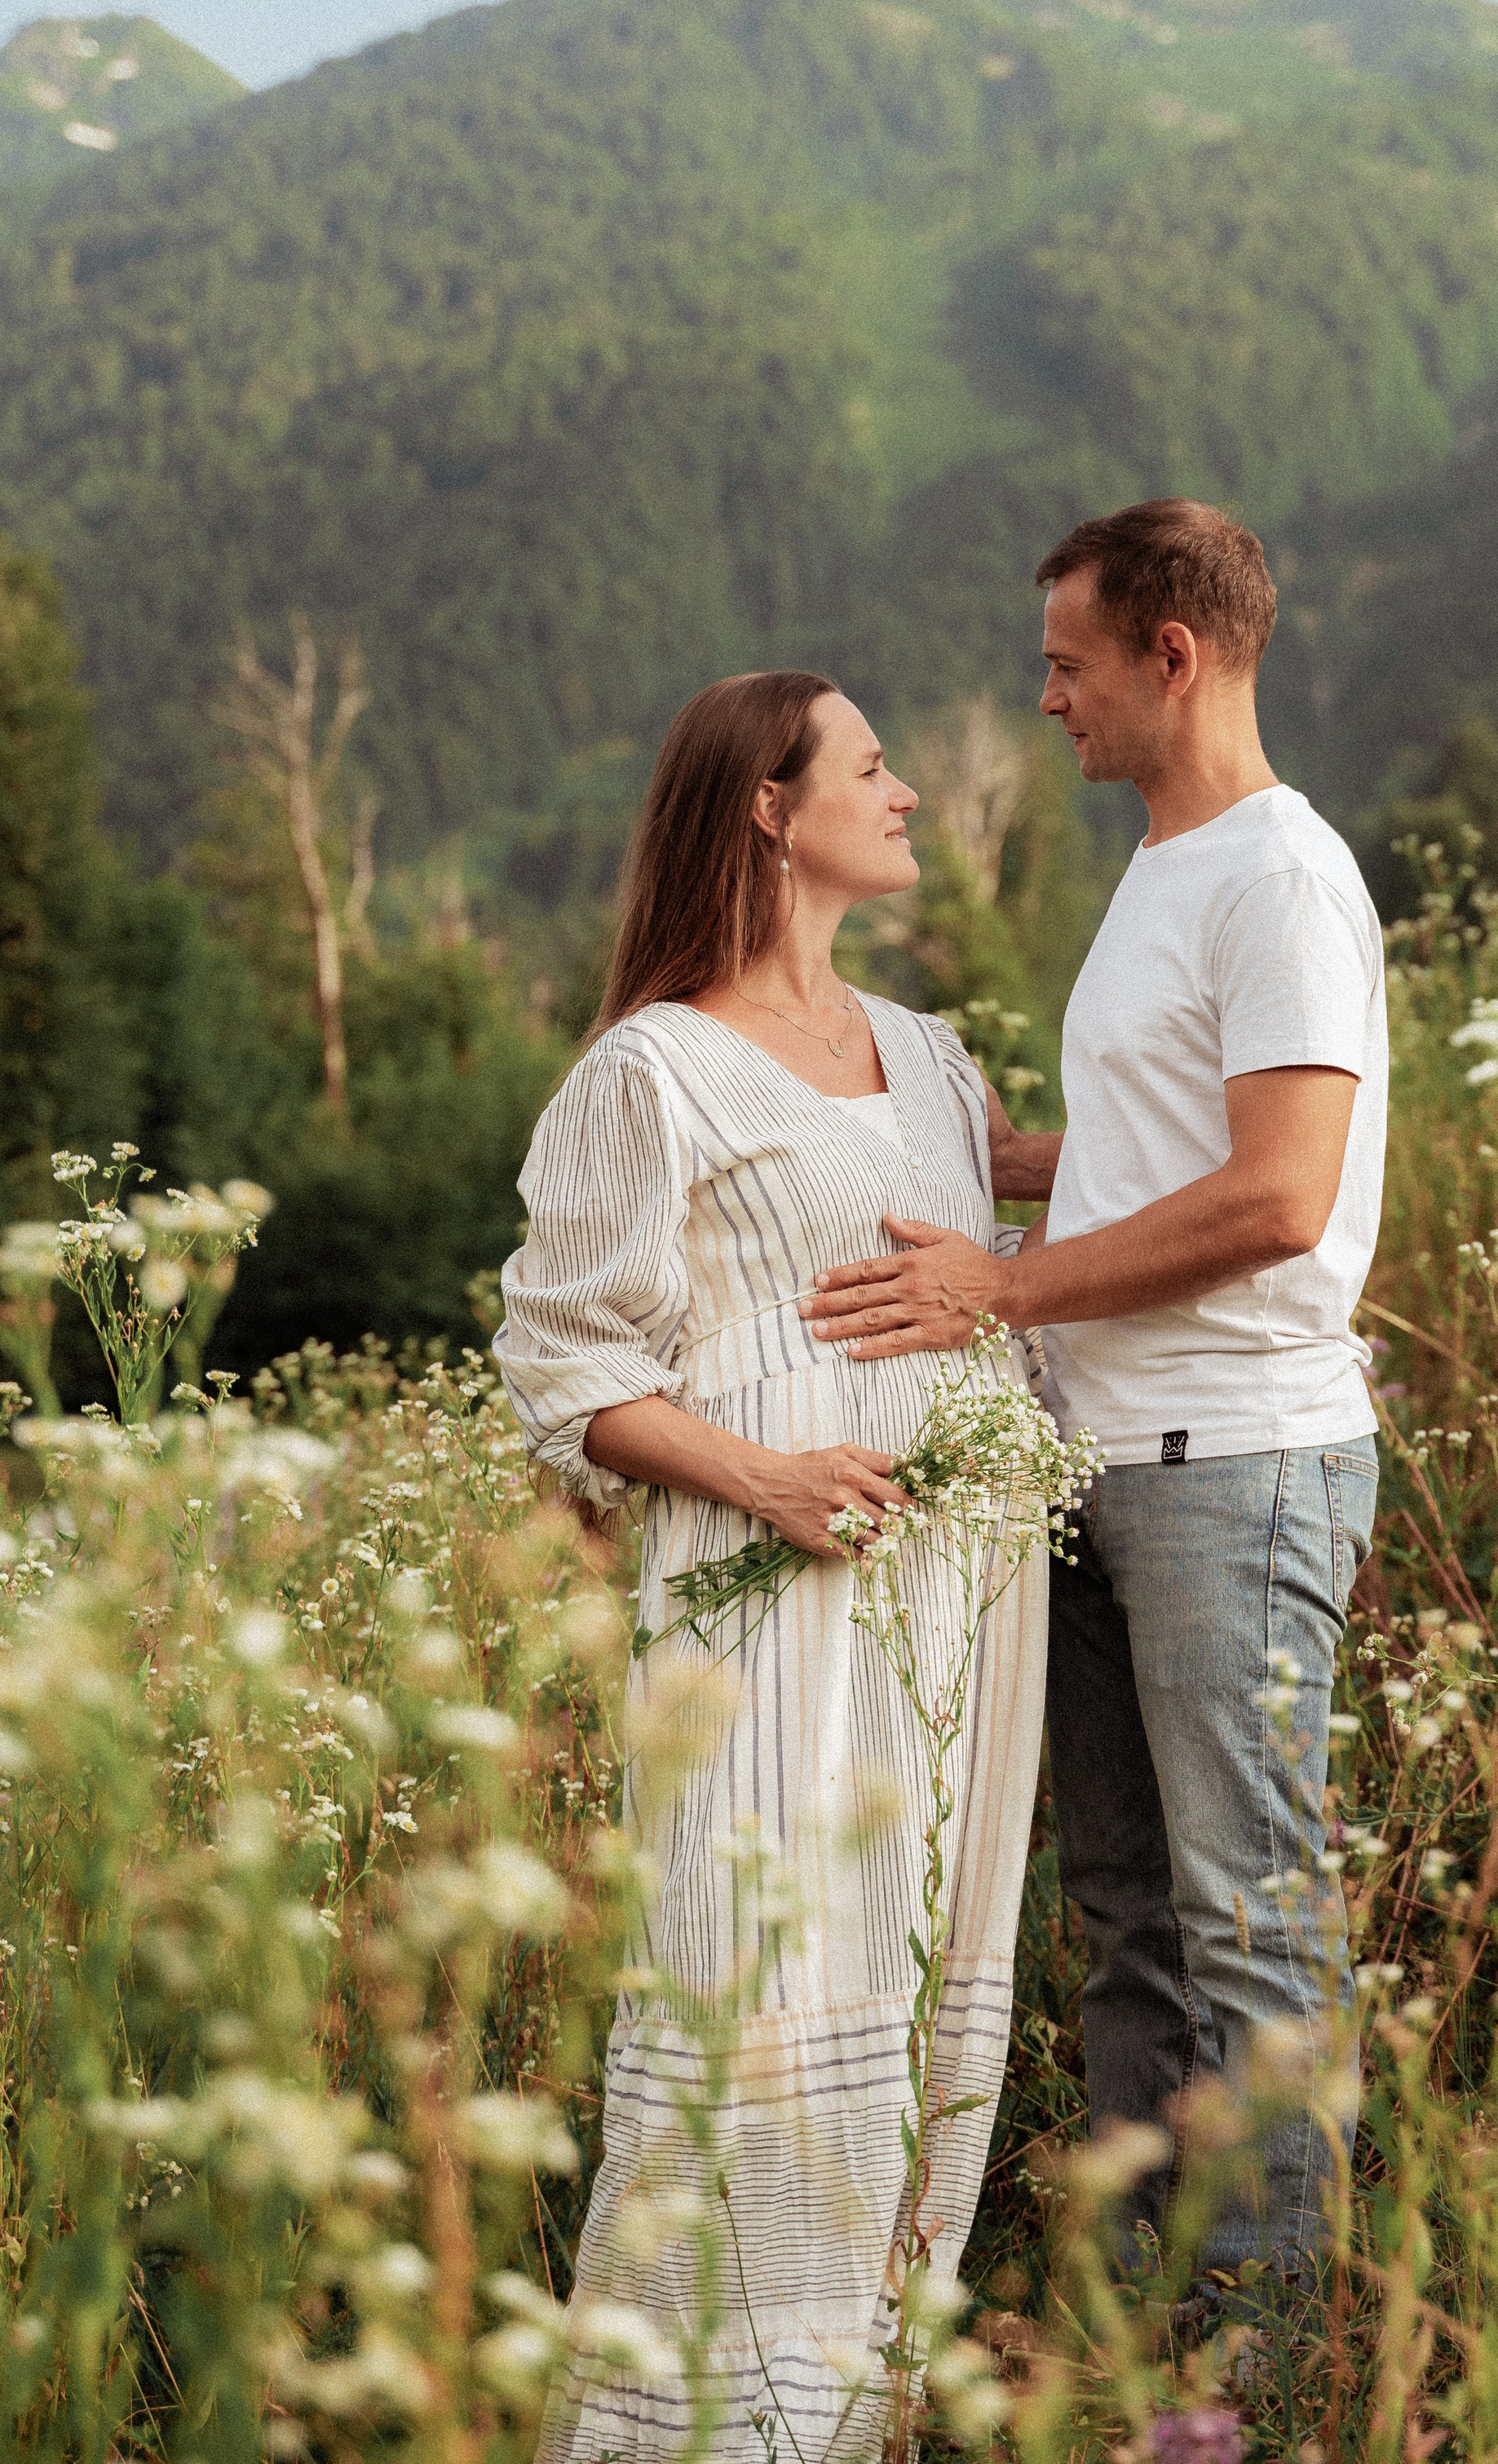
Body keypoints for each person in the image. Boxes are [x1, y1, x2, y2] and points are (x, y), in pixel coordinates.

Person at [803, 498, 1387, 2287]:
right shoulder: (1165, 861)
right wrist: (990, 1157)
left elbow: (1280, 1191)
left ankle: (1274, 2336)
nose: (1044, 697)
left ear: (1171, 654)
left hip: (1236, 1466)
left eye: (1065, 664)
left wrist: (1003, 1282)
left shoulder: (1278, 874)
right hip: (1105, 1462)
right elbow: (1174, 1147)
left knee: (1244, 1920)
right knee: (1127, 1913)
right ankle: (1145, 2294)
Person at [494, 670, 1058, 2463]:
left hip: (960, 1599)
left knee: (919, 1998)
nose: (901, 793)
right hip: (774, 1592)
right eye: (872, 766)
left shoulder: (930, 1052)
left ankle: (854, 2421)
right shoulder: (648, 1068)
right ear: (765, 802)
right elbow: (568, 1370)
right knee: (757, 1982)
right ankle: (687, 2436)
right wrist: (769, 1478)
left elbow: (1023, 1230)